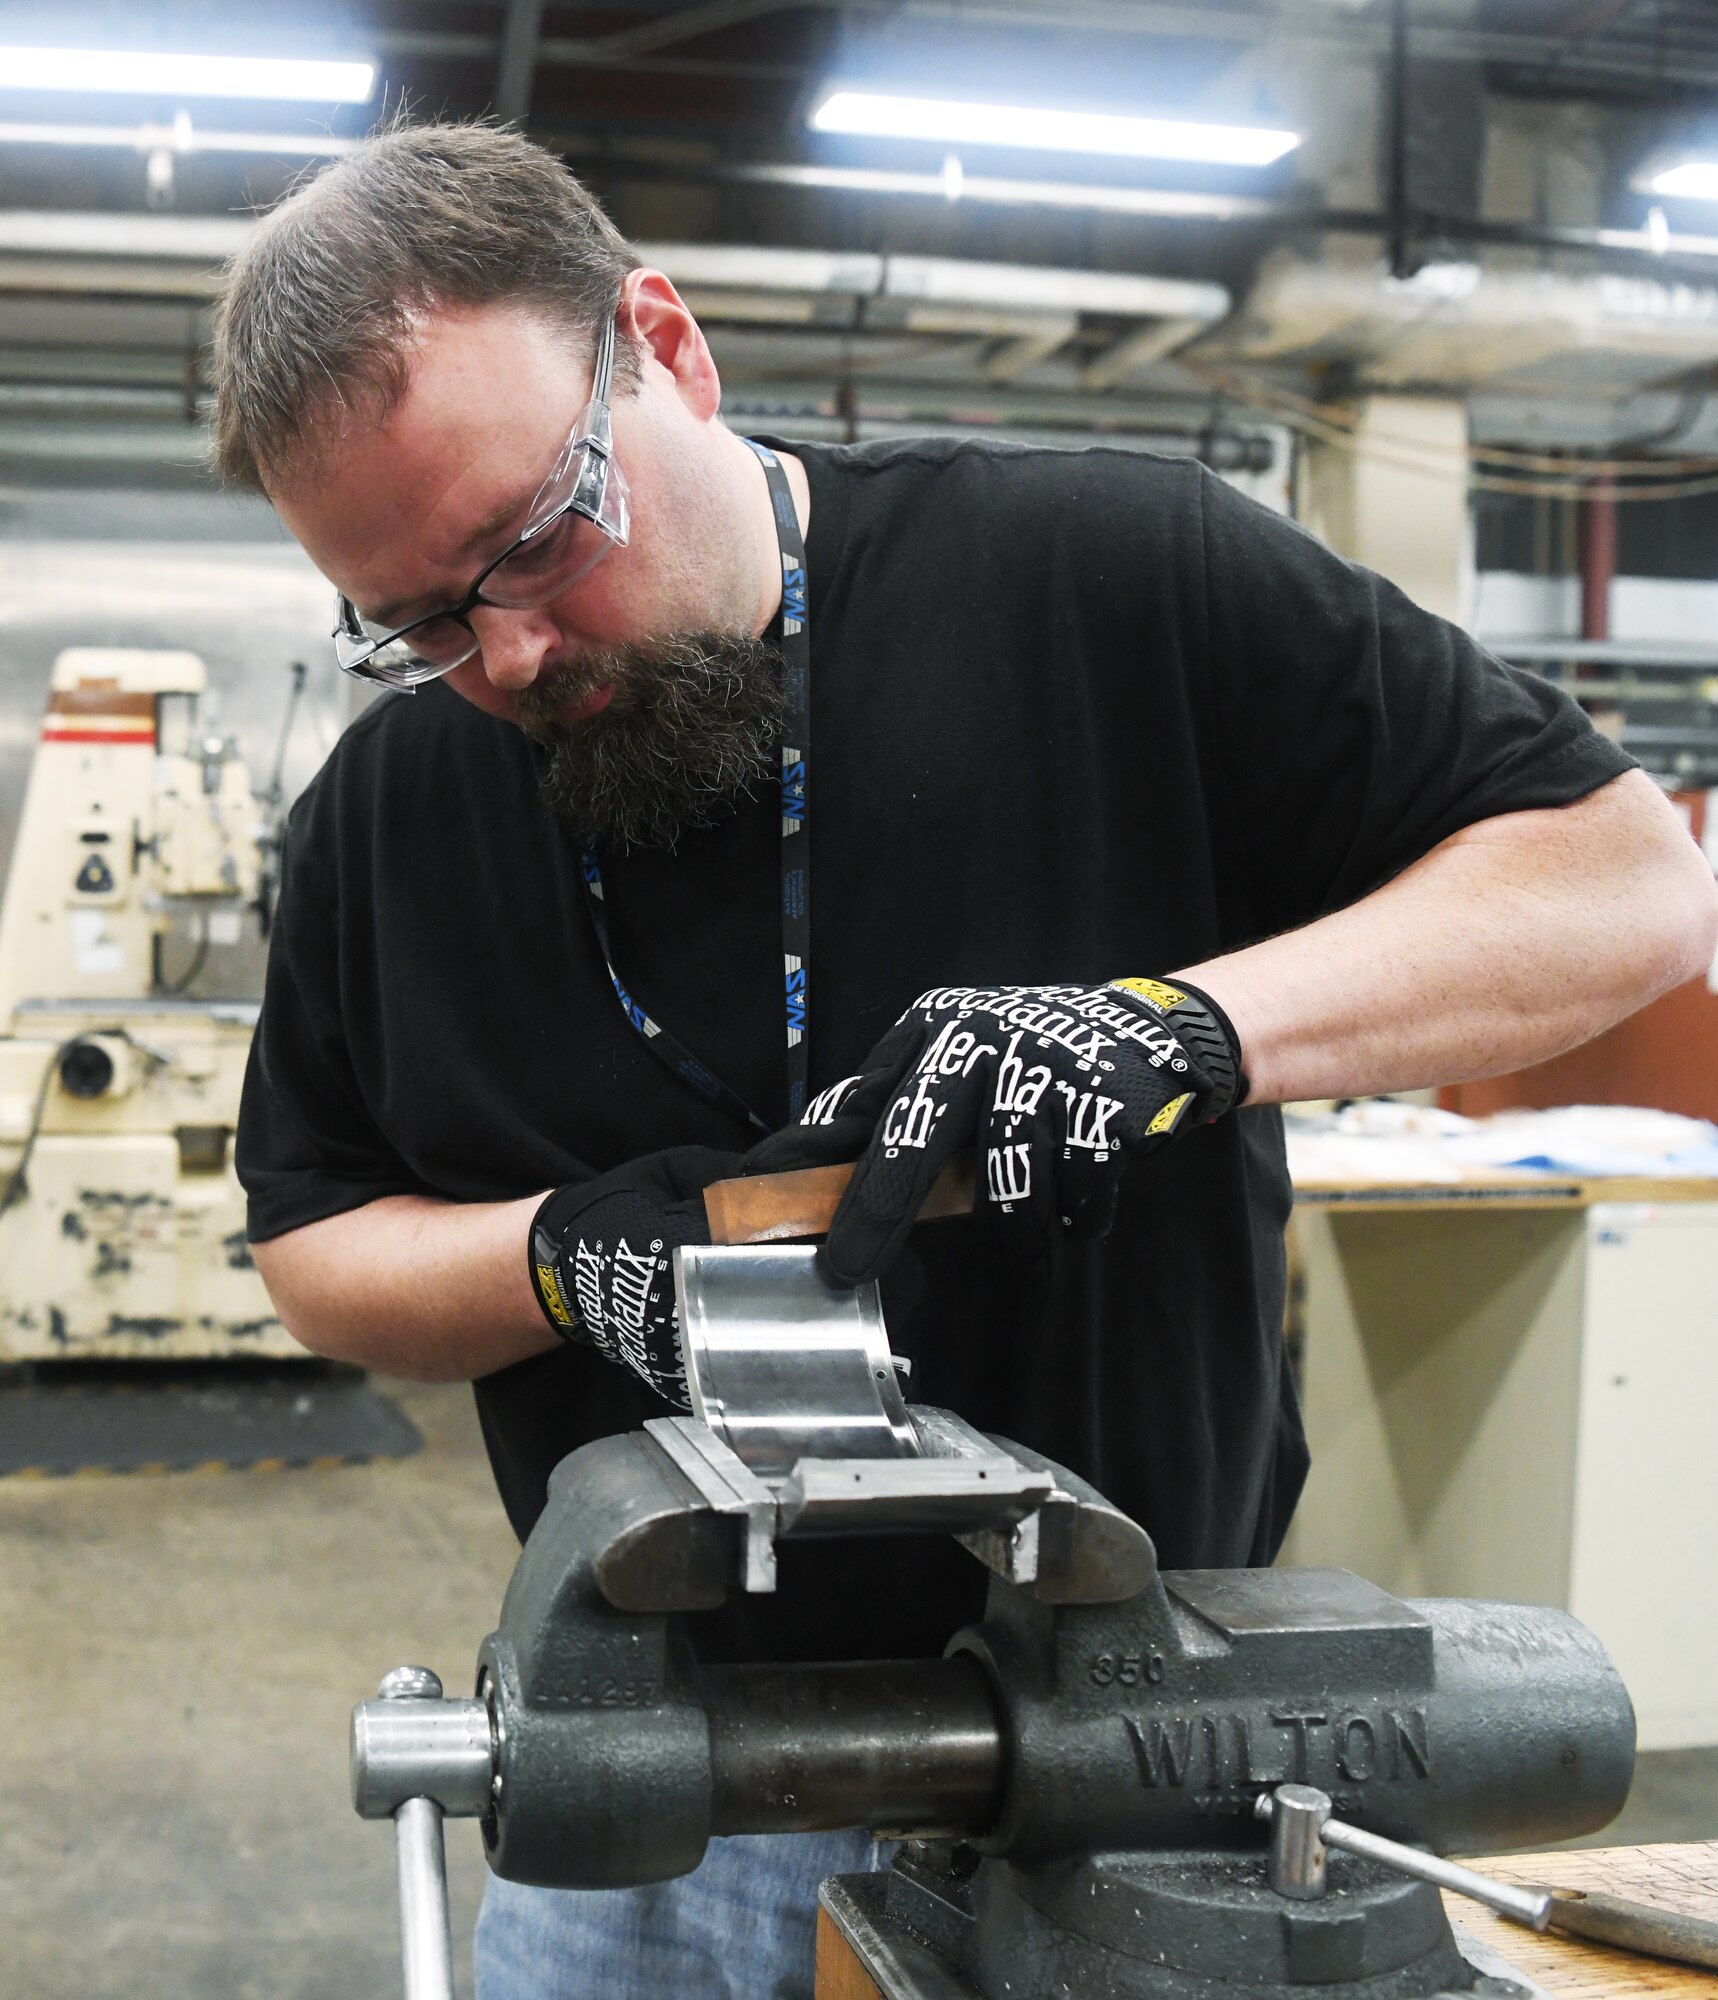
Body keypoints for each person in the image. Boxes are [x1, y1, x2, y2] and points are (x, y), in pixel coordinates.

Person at [216, 122, 1717, 2000]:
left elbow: (1622, 882)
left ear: (660, 347)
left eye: (531, 540)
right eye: (416, 619)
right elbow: (314, 1242)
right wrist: (557, 1259)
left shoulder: (1103, 576)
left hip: (1152, 1766)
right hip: (649, 1774)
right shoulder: (385, 815)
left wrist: (1174, 1034)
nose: (504, 652)